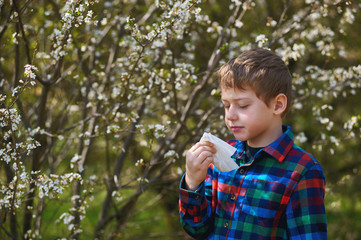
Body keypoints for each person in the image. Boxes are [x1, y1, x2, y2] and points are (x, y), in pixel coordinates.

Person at [179, 48, 327, 239]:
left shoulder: (303, 170)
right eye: (226, 105)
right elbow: (196, 229)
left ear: (278, 105)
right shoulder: (221, 156)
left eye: (242, 106)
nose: (230, 115)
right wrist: (192, 182)